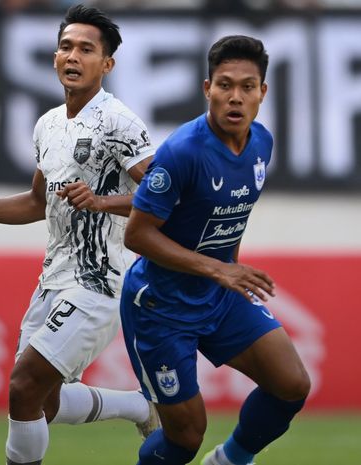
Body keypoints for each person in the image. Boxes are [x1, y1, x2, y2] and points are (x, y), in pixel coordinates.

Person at [0, 5, 159, 464]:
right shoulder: (48, 124)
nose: (72, 55)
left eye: (85, 49)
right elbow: (38, 204)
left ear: (107, 64)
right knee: (43, 402)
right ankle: (138, 405)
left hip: (98, 284)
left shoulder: (119, 123)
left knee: (22, 387)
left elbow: (164, 197)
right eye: (65, 46)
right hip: (52, 280)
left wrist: (101, 200)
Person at [119, 35, 310, 465]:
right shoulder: (182, 151)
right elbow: (137, 235)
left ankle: (229, 460)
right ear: (208, 89)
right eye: (225, 85)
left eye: (247, 86)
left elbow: (231, 216)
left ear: (263, 92)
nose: (235, 97)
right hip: (160, 306)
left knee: (292, 384)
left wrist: (229, 270)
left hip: (218, 296)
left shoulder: (261, 142)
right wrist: (220, 270)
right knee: (185, 438)